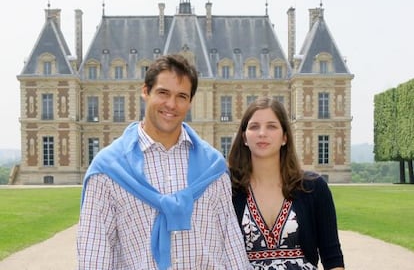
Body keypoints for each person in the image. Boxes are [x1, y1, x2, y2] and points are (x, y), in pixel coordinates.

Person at [77, 54, 251, 270]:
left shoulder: (213, 168)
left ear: (190, 102)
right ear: (145, 92)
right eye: (163, 93)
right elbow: (95, 255)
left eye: (181, 96)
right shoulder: (108, 170)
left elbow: (231, 245)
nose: (171, 104)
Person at [228, 97, 345, 270]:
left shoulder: (313, 187)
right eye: (254, 126)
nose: (262, 133)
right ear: (244, 137)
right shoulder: (229, 189)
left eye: (271, 126)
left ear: (284, 137)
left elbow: (333, 258)